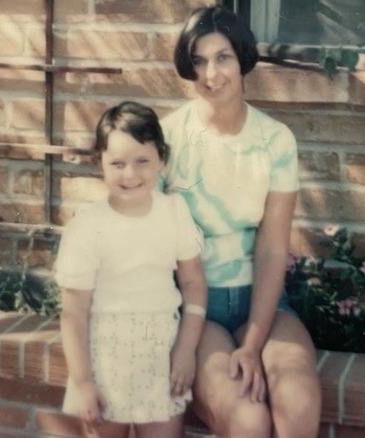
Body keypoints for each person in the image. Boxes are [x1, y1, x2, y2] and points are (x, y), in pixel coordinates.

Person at [160, 5, 322, 438]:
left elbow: (271, 247)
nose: (211, 74)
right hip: (198, 311)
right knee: (248, 420)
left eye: (223, 57)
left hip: (263, 301)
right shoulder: (168, 139)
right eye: (198, 60)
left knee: (299, 400)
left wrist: (253, 343)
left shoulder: (274, 140)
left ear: (243, 58)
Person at [54, 101, 208, 438]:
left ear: (161, 160)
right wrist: (82, 382)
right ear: (100, 165)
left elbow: (194, 283)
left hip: (162, 356)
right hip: (105, 360)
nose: (130, 174)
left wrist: (185, 349)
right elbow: (74, 312)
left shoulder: (174, 213)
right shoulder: (88, 226)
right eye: (117, 163)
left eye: (142, 161)